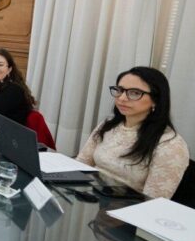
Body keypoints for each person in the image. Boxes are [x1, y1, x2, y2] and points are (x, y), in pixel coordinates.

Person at [76, 66, 189, 198]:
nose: (122, 98)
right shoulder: (109, 124)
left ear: (156, 100)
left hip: (129, 211)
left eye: (134, 93)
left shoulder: (170, 145)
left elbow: (153, 202)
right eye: (120, 90)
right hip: (93, 200)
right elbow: (81, 164)